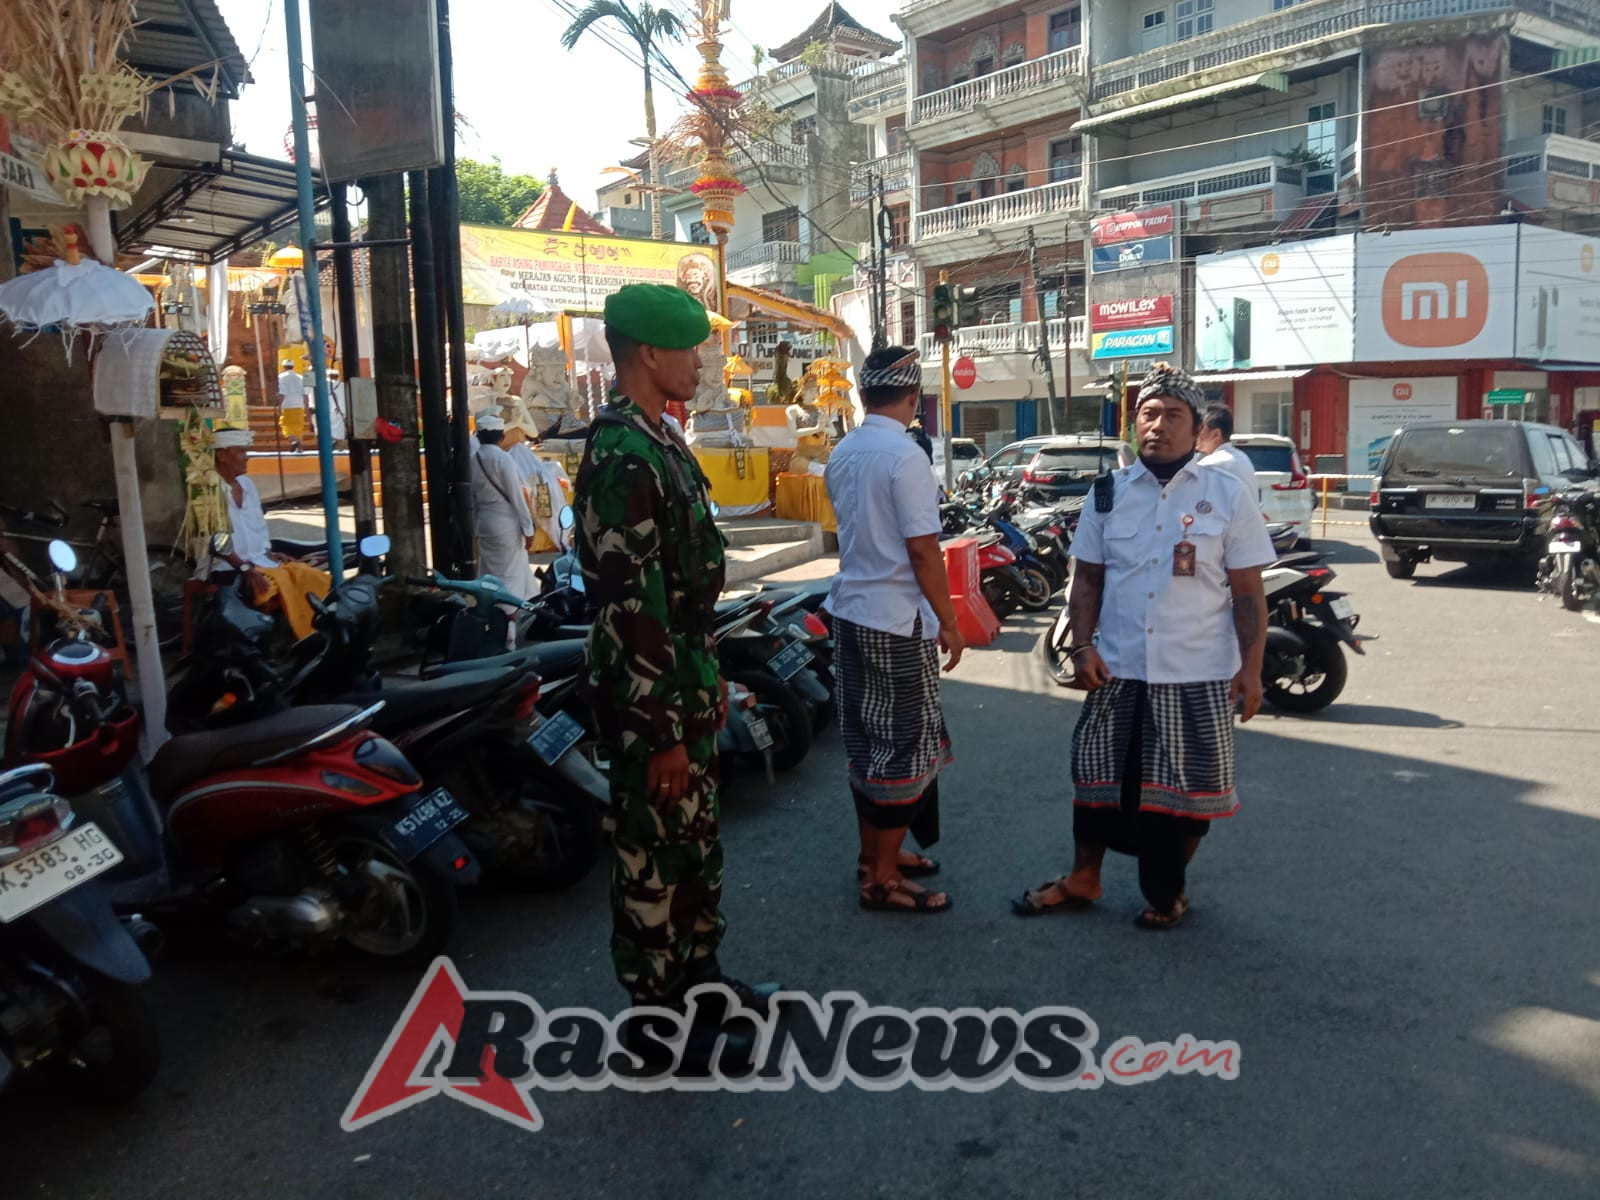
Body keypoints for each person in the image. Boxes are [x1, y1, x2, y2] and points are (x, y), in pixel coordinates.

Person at [573, 283, 773, 1058]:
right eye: (690, 349)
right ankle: (656, 1026)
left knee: (693, 843)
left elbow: (685, 599)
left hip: (680, 676)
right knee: (652, 858)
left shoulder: (661, 440)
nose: (701, 362)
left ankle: (702, 985)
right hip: (645, 694)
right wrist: (659, 727)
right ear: (649, 355)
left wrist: (707, 675)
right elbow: (633, 606)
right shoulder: (622, 452)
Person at [1012, 363, 1274, 930]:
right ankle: (1084, 877)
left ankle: (1168, 890)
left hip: (1197, 670)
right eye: (1148, 414)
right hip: (1120, 666)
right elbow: (1087, 579)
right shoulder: (1106, 494)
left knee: (1189, 793)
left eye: (1172, 415)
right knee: (1097, 781)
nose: (1157, 425)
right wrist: (1081, 646)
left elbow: (1249, 594)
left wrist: (1251, 670)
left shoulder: (1227, 494)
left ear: (1196, 425)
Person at [824, 346, 965, 915]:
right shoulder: (904, 456)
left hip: (851, 610)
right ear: (913, 397)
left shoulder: (844, 451)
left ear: (863, 394)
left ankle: (875, 856)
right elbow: (923, 551)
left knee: (865, 744)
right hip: (895, 623)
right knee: (902, 749)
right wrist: (950, 622)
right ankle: (881, 879)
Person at [205, 427, 331, 641]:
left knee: (307, 574)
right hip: (226, 566)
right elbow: (217, 541)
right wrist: (246, 568)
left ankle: (313, 633)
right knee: (272, 582)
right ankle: (272, 639)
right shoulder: (207, 489)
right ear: (222, 455)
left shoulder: (247, 485)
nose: (247, 458)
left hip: (258, 561)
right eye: (241, 451)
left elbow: (257, 526)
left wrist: (268, 553)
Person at [470, 412, 536, 601]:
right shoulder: (503, 460)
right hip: (505, 525)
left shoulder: (473, 460)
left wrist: (475, 528)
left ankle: (489, 611)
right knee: (509, 576)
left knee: (489, 572)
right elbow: (517, 498)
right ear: (502, 436)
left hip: (485, 523)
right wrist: (528, 528)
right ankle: (508, 620)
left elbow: (473, 499)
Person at [1196, 405, 1260, 501]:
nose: (1195, 434)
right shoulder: (1242, 457)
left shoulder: (1209, 464)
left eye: (1200, 429)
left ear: (1216, 434)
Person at [277, 359, 305, 447]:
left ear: (284, 367)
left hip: (287, 405)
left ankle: (294, 440)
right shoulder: (300, 377)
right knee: (298, 427)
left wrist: (279, 406)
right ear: (293, 366)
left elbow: (282, 393)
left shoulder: (281, 377)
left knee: (285, 424)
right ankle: (299, 448)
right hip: (299, 404)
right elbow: (304, 393)